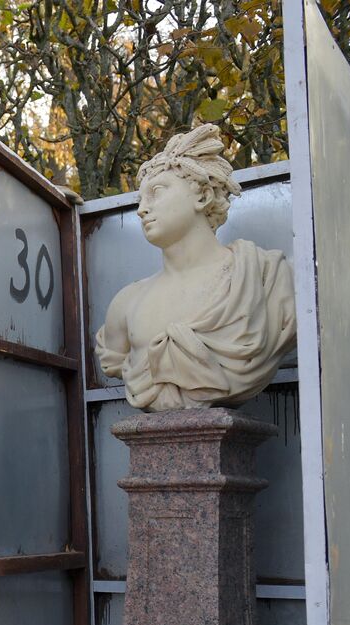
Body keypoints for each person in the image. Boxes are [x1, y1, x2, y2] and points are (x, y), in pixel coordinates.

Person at [95, 123, 295, 411]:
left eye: (157, 192)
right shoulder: (125, 305)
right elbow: (114, 360)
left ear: (202, 196)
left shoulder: (263, 278)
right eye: (141, 199)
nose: (141, 209)